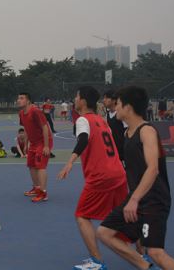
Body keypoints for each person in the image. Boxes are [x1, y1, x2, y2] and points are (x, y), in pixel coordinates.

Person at [97, 86, 174, 270]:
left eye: (118, 104)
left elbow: (153, 169)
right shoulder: (127, 133)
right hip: (137, 198)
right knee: (104, 232)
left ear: (128, 107)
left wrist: (134, 199)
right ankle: (146, 267)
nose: (115, 107)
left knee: (156, 252)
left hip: (153, 200)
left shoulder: (146, 131)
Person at [58, 87, 128, 270]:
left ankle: (96, 262)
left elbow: (83, 139)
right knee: (125, 216)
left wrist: (70, 162)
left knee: (82, 216)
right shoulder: (102, 121)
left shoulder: (83, 120)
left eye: (76, 96)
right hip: (118, 172)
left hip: (101, 176)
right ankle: (144, 254)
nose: (74, 99)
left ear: (83, 101)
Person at [18, 92, 53, 202]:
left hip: (43, 142)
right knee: (31, 165)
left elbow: (45, 127)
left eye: (22, 98)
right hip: (33, 143)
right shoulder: (21, 113)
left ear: (28, 101)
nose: (18, 100)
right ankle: (36, 188)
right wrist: (26, 144)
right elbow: (27, 129)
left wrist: (46, 146)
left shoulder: (35, 111)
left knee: (40, 166)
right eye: (18, 98)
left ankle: (43, 193)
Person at [103, 90, 126, 162]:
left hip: (123, 152)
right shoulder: (107, 115)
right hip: (113, 151)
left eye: (106, 98)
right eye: (104, 98)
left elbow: (128, 131)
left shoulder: (121, 114)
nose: (104, 100)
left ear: (114, 100)